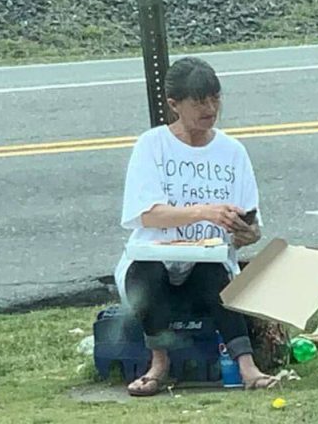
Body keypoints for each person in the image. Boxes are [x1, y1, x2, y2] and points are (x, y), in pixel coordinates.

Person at [113, 57, 278, 396]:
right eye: (199, 101)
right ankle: (158, 363)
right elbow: (148, 215)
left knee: (213, 273)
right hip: (154, 258)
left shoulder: (232, 151)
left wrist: (247, 233)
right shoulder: (152, 145)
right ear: (174, 104)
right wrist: (203, 212)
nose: (210, 108)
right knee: (148, 273)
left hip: (209, 260)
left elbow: (251, 223)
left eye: (215, 98)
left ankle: (247, 366)